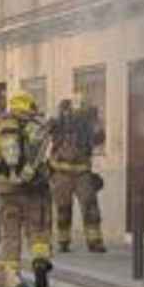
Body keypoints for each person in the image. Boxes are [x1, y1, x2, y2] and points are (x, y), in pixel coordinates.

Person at [0, 91, 55, 287]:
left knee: (10, 234)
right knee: (38, 229)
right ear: (29, 106)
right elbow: (44, 159)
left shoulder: (2, 128)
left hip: (6, 190)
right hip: (34, 190)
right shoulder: (36, 127)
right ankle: (40, 262)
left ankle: (11, 278)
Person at [47, 96, 107, 253]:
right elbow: (45, 132)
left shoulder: (87, 124)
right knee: (63, 209)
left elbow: (99, 138)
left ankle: (94, 241)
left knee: (90, 208)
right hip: (62, 174)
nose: (72, 116)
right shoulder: (58, 123)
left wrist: (96, 122)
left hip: (82, 174)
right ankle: (63, 241)